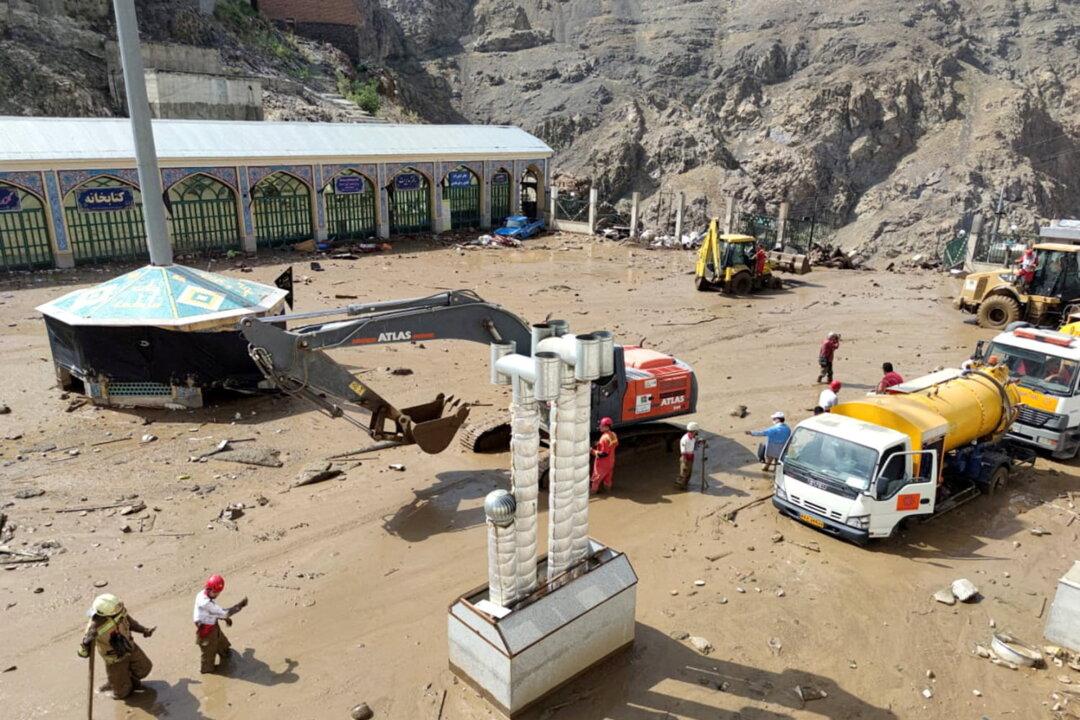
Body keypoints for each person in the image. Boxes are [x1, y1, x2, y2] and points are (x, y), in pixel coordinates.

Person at [77, 593, 155, 700]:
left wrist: (144, 630)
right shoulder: (93, 629)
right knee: (122, 693)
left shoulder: (120, 612)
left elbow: (131, 623)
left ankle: (123, 679)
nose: (120, 609)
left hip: (129, 647)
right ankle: (116, 684)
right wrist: (86, 644)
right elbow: (83, 653)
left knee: (144, 668)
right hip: (114, 659)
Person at [194, 574, 247, 674]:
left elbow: (214, 612)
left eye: (218, 592)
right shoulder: (205, 603)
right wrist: (239, 606)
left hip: (212, 624)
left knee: (222, 644)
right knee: (208, 655)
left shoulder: (202, 594)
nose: (217, 595)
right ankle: (208, 672)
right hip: (206, 632)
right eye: (216, 592)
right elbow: (224, 613)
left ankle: (224, 653)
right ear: (209, 589)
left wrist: (224, 619)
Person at [590, 417, 619, 493]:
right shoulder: (613, 434)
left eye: (601, 425)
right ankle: (608, 489)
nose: (600, 426)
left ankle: (593, 491)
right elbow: (615, 444)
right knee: (608, 478)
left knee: (596, 479)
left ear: (606, 427)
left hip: (602, 464)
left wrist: (592, 451)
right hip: (611, 461)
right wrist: (599, 444)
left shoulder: (604, 438)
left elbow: (603, 454)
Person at [676, 421, 701, 490]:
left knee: (689, 473)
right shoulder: (685, 439)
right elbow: (683, 452)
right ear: (693, 431)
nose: (697, 432)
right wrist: (685, 461)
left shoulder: (693, 437)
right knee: (683, 473)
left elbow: (695, 444)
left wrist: (699, 442)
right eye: (696, 431)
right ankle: (679, 487)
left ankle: (685, 485)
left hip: (691, 457)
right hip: (686, 458)